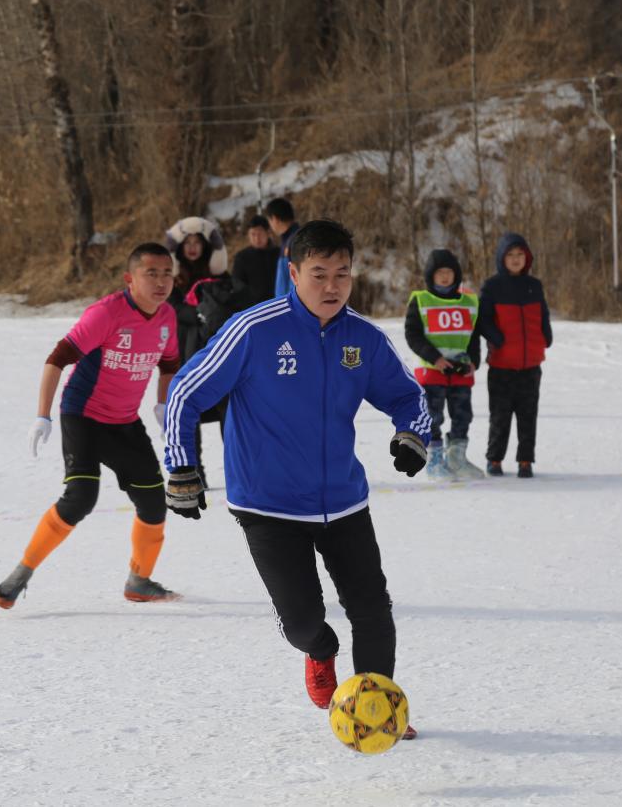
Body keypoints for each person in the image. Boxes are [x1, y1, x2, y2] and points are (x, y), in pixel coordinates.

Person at [163, 219, 428, 738]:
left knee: (373, 609)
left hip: (343, 502)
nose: (332, 287)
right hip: (268, 506)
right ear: (293, 273)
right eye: (319, 274)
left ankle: (376, 710)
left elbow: (408, 396)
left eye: (343, 275)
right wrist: (180, 466)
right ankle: (320, 650)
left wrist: (411, 433)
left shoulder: (362, 339)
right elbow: (185, 391)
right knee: (304, 620)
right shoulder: (254, 329)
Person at [0, 242, 182, 609]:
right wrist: (42, 416)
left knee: (154, 501)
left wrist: (162, 404)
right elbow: (56, 359)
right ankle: (19, 575)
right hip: (83, 416)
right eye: (151, 274)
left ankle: (139, 582)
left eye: (167, 274)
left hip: (125, 422)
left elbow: (170, 364)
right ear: (130, 279)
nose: (161, 282)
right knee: (80, 498)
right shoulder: (107, 313)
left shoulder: (166, 318)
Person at [476, 232, 553, 479]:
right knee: (500, 415)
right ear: (502, 258)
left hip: (530, 365)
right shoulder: (492, 286)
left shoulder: (535, 285)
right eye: (511, 255)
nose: (516, 259)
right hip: (501, 365)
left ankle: (525, 461)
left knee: (528, 415)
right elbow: (482, 320)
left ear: (527, 257)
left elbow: (543, 315)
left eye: (520, 254)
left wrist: (546, 336)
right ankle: (494, 459)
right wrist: (497, 340)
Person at [403, 248, 484, 480]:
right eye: (440, 273)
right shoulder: (421, 300)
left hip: (461, 371)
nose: (445, 277)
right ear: (431, 276)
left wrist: (474, 361)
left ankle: (457, 458)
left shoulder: (468, 302)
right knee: (432, 416)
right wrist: (434, 357)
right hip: (433, 371)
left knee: (463, 415)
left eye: (449, 272)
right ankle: (434, 461)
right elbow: (413, 335)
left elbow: (473, 335)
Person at [165, 217, 231, 487]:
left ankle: (238, 466)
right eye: (188, 243)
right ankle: (195, 470)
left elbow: (231, 301)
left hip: (220, 349)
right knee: (187, 410)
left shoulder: (219, 277)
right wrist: (197, 313)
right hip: (186, 347)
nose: (192, 247)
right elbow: (169, 307)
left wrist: (213, 313)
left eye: (197, 242)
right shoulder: (172, 278)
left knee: (230, 411)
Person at [231, 214, 281, 304]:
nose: (257, 238)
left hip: (278, 302)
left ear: (268, 233)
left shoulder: (279, 254)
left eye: (260, 234)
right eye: (253, 234)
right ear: (248, 235)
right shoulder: (242, 257)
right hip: (254, 308)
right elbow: (237, 285)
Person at [265, 197, 299, 298]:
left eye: (269, 221)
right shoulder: (289, 239)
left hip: (290, 306)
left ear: (274, 219)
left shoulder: (296, 240)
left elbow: (297, 278)